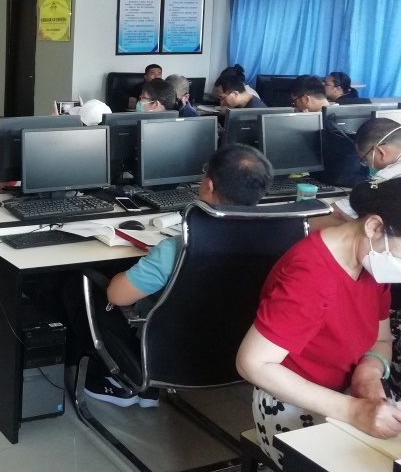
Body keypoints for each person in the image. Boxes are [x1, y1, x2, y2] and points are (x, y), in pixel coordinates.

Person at [76, 144, 274, 408]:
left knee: (83, 284)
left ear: (209, 185)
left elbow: (117, 296)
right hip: (242, 353)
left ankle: (125, 383)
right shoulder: (278, 239)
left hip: (170, 357)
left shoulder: (182, 247)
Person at [236, 178, 401, 467]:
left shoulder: (371, 263)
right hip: (294, 403)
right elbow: (253, 364)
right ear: (374, 227)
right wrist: (352, 411)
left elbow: (381, 338)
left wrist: (369, 373)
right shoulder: (312, 274)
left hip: (350, 395)